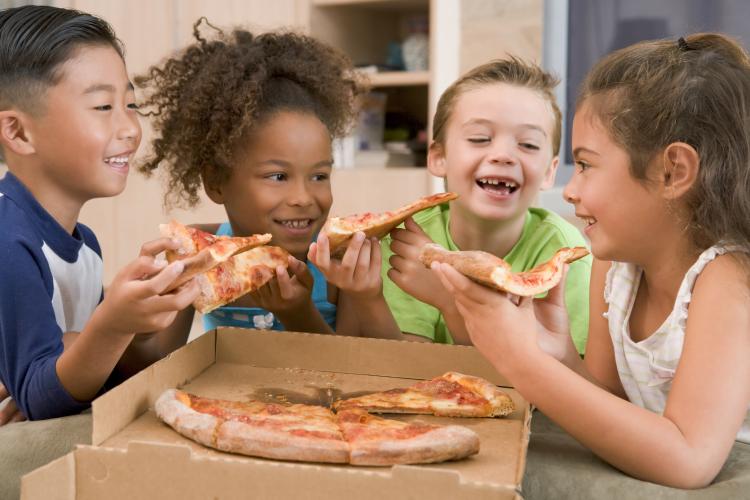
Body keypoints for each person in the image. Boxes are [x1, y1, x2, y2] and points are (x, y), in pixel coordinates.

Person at [432, 33, 750, 488]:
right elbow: (607, 407)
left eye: (585, 165)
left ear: (672, 172)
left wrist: (519, 359)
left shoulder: (727, 278)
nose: (569, 190)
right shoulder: (616, 265)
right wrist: (558, 352)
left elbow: (689, 460)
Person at [0, 5, 199, 424]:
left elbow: (95, 372)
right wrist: (110, 327)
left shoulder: (85, 243)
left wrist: (144, 315)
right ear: (19, 132)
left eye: (131, 103)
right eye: (103, 107)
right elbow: (42, 400)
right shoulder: (8, 242)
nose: (130, 128)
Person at [137, 20, 382, 336]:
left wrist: (299, 314)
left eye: (319, 175)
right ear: (216, 183)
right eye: (279, 176)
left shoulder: (341, 265)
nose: (303, 198)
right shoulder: (199, 253)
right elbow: (156, 366)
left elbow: (354, 376)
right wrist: (145, 311)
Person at [376, 58, 591, 349]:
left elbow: (552, 381)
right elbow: (411, 376)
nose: (503, 155)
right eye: (480, 139)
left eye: (527, 144)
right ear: (439, 158)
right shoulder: (407, 242)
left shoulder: (565, 257)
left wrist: (450, 301)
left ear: (550, 172)